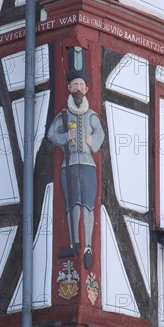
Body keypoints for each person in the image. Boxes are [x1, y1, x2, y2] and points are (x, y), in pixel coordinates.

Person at [47, 70, 104, 269]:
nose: (78, 88)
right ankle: (74, 244)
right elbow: (52, 133)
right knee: (73, 205)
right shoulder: (64, 115)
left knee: (88, 205)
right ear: (69, 89)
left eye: (81, 84)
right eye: (75, 85)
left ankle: (87, 245)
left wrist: (92, 141)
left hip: (88, 165)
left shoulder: (90, 116)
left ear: (86, 89)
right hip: (69, 165)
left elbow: (100, 134)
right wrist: (65, 138)